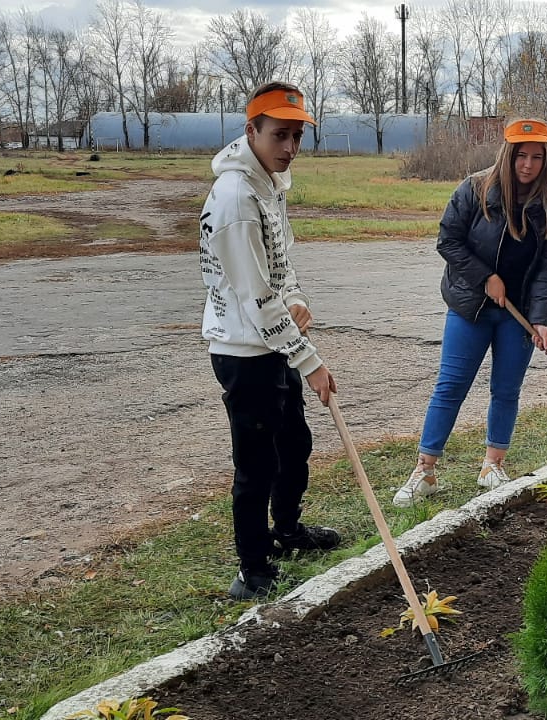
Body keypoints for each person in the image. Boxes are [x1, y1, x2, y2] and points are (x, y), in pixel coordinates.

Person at [199, 81, 341, 600]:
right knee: (255, 465)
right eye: (279, 135)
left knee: (293, 445)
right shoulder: (237, 198)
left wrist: (298, 298)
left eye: (297, 136)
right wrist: (311, 362)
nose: (289, 148)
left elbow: (281, 268)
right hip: (245, 351)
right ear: (251, 131)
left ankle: (288, 531)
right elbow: (257, 301)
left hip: (274, 341)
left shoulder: (268, 183)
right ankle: (252, 568)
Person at [393, 119, 547, 507]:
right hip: (470, 307)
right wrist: (485, 276)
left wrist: (540, 318)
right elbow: (448, 240)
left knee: (506, 389)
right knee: (451, 384)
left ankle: (492, 465)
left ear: (545, 160)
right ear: (507, 155)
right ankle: (425, 470)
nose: (527, 165)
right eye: (521, 156)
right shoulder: (475, 189)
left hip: (517, 313)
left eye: (536, 157)